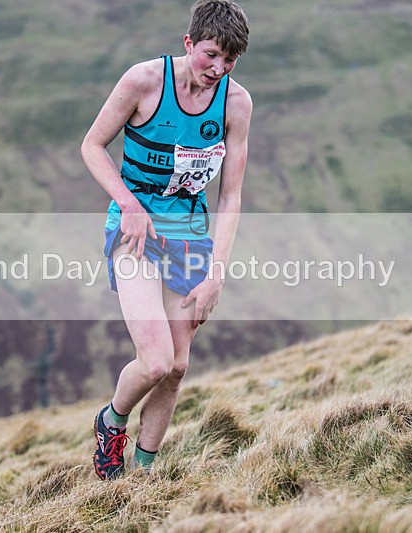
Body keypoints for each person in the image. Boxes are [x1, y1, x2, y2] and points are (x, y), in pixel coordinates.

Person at [81, 0, 252, 480]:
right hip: (135, 229)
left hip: (190, 235)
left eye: (230, 60)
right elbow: (92, 146)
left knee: (178, 366)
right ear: (188, 43)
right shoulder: (143, 81)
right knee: (155, 361)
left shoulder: (236, 104)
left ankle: (145, 472)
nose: (218, 68)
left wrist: (216, 276)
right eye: (210, 54)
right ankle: (111, 420)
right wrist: (129, 205)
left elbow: (231, 196)